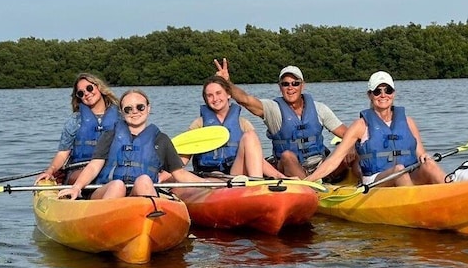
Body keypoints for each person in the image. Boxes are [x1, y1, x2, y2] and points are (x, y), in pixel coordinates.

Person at [214, 58, 352, 180]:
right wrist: (226, 83)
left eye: (295, 83)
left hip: (321, 166)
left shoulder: (319, 109)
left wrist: (351, 147)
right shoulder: (273, 109)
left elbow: (347, 134)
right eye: (286, 84)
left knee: (353, 147)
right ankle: (309, 189)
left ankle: (365, 185)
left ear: (302, 85)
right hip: (291, 169)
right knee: (287, 156)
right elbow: (245, 100)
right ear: (280, 87)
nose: (290, 88)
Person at [58, 89, 207, 200]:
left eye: (140, 107)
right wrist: (77, 187)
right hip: (106, 191)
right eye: (128, 109)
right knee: (118, 185)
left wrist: (209, 185)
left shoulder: (161, 140)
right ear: (122, 113)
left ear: (148, 108)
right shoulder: (109, 136)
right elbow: (94, 166)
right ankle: (107, 225)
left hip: (140, 195)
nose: (134, 112)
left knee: (144, 180)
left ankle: (150, 222)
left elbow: (179, 174)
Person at [305, 71, 446, 187]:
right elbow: (334, 160)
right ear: (370, 95)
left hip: (407, 174)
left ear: (394, 93)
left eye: (388, 90)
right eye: (377, 91)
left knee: (430, 164)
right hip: (376, 180)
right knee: (398, 170)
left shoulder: (409, 122)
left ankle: (454, 191)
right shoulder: (360, 126)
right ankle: (415, 209)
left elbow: (421, 154)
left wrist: (426, 158)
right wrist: (307, 181)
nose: (383, 95)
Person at [182, 75, 286, 179]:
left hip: (236, 173)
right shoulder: (198, 125)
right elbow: (182, 159)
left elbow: (258, 160)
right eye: (210, 95)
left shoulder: (243, 124)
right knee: (218, 176)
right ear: (206, 99)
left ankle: (256, 182)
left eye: (218, 93)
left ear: (228, 94)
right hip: (210, 177)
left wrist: (280, 176)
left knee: (250, 136)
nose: (215, 99)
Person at [35, 72, 120, 184]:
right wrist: (50, 170)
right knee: (88, 175)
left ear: (99, 87)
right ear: (79, 98)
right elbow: (63, 153)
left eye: (89, 88)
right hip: (79, 169)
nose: (86, 94)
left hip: (110, 169)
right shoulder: (75, 121)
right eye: (81, 93)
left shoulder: (121, 117)